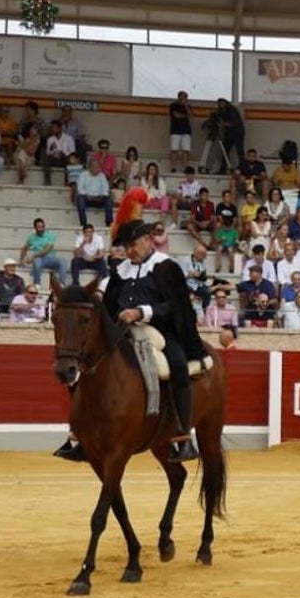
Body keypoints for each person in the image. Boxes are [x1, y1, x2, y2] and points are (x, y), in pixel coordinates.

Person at [102, 190, 208, 463]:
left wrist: (140, 312)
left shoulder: (166, 267)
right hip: (122, 331)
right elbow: (108, 305)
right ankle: (79, 433)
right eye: (124, 245)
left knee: (177, 365)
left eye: (132, 244)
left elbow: (176, 307)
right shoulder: (120, 270)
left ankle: (184, 435)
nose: (128, 250)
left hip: (161, 330)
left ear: (148, 240)